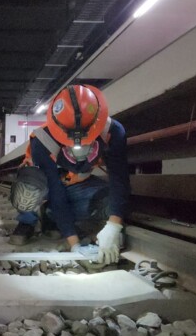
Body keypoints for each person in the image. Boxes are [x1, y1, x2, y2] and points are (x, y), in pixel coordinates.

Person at [8, 85, 130, 264]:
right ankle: (28, 221)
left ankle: (51, 218)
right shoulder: (42, 140)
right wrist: (75, 245)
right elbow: (56, 192)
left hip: (77, 185)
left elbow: (120, 179)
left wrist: (114, 225)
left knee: (108, 201)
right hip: (46, 188)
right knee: (28, 190)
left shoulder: (113, 132)